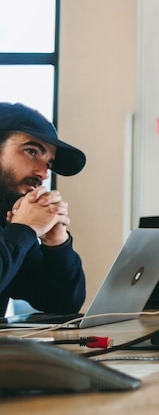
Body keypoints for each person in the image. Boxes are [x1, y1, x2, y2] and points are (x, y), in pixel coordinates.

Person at [0, 102, 87, 314]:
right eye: (31, 151)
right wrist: (25, 230)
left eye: (48, 163)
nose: (43, 173)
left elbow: (61, 304)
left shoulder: (7, 222)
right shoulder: (18, 229)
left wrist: (56, 243)